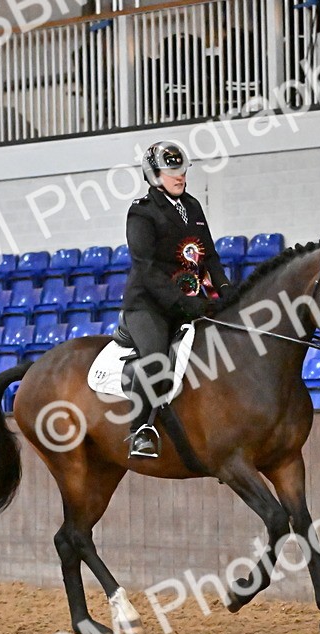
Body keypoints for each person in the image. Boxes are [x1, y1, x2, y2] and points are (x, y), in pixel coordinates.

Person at [121, 141, 235, 459]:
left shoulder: (194, 207)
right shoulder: (141, 211)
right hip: (149, 304)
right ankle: (141, 429)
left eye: (182, 170)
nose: (180, 176)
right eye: (172, 171)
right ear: (154, 174)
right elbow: (147, 268)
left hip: (191, 299)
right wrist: (183, 304)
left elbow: (208, 255)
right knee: (156, 359)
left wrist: (224, 289)